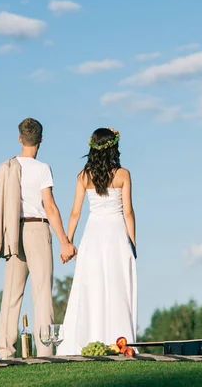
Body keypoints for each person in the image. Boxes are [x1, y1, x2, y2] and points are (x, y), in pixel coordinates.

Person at [0, 118, 76, 359]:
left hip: (13, 231)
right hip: (37, 230)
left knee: (12, 295)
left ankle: (5, 351)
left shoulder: (6, 167)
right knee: (42, 292)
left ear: (19, 138)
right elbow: (50, 207)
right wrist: (65, 241)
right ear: (41, 140)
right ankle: (45, 350)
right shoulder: (42, 169)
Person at [56, 127, 138, 355]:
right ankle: (120, 344)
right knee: (116, 286)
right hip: (116, 235)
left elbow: (75, 213)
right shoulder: (123, 174)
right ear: (114, 148)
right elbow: (128, 212)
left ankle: (85, 340)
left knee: (90, 286)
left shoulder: (83, 176)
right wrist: (132, 244)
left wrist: (68, 242)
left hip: (93, 235)